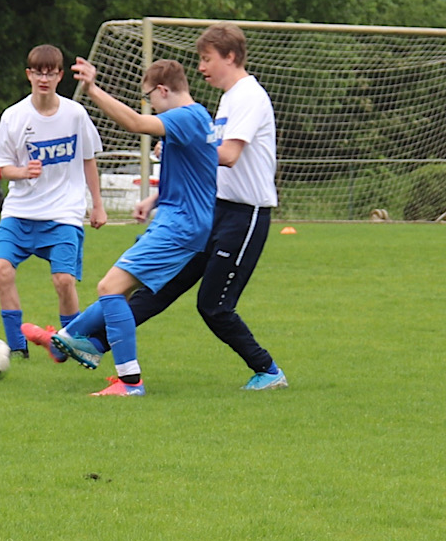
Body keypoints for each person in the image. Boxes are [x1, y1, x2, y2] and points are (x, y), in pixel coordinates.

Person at [57, 23, 288, 391]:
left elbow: (227, 155)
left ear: (230, 57)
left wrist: (187, 144)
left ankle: (269, 370)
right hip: (212, 209)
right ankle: (92, 343)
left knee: (214, 306)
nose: (201, 67)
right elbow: (202, 163)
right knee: (157, 289)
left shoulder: (249, 97)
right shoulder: (225, 99)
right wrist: (158, 193)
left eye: (207, 58)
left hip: (245, 214)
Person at [38, 57, 218, 396]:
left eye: (149, 96)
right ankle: (65, 339)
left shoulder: (185, 116)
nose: (149, 104)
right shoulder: (198, 118)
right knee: (120, 289)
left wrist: (92, 89)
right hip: (179, 222)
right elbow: (195, 175)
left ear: (163, 90)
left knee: (109, 287)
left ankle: (130, 382)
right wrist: (154, 200)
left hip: (180, 227)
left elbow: (135, 123)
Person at [0, 44, 106, 359]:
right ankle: (16, 347)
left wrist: (98, 203)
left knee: (64, 280)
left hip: (63, 212)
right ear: (29, 75)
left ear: (60, 76)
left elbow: (89, 159)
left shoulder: (75, 114)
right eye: (38, 72)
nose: (44, 78)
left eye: (51, 73)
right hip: (21, 212)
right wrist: (22, 172)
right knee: (1, 269)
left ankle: (68, 343)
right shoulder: (13, 116)